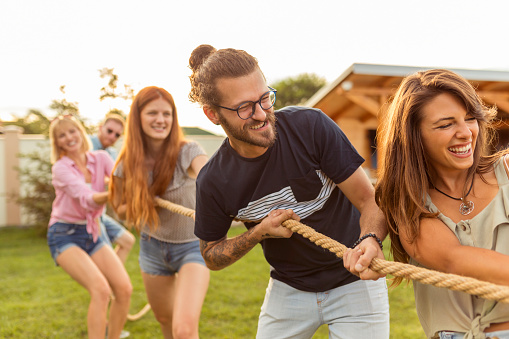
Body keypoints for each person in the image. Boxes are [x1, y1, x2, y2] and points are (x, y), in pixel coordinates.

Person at [188, 44, 389, 339]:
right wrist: (258, 233)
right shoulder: (213, 181)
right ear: (212, 114)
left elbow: (368, 200)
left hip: (355, 280)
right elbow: (211, 255)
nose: (261, 115)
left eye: (265, 99)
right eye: (245, 107)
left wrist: (370, 239)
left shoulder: (310, 127)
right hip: (288, 287)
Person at [375, 69, 509, 339]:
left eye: (470, 118)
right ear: (414, 136)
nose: (466, 133)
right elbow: (453, 259)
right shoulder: (410, 204)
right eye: (446, 124)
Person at [110, 86, 210, 339]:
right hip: (152, 248)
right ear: (138, 118)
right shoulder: (127, 164)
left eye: (167, 114)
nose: (161, 120)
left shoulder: (188, 151)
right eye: (153, 113)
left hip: (193, 248)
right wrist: (140, 202)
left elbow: (211, 178)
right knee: (165, 320)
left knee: (185, 330)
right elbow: (120, 210)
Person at [47, 115, 132, 339]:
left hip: (91, 230)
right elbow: (87, 198)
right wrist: (115, 193)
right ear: (57, 143)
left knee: (124, 290)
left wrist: (134, 187)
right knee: (101, 290)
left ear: (80, 132)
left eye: (72, 131)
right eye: (62, 135)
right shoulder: (61, 169)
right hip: (64, 234)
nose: (69, 138)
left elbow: (119, 178)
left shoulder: (101, 158)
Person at [90, 113, 135, 264]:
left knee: (127, 241)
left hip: (100, 212)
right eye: (109, 131)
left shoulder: (112, 153)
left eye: (117, 135)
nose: (112, 137)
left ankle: (110, 281)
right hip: (86, 215)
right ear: (100, 128)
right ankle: (109, 281)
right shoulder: (86, 145)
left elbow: (115, 180)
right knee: (106, 255)